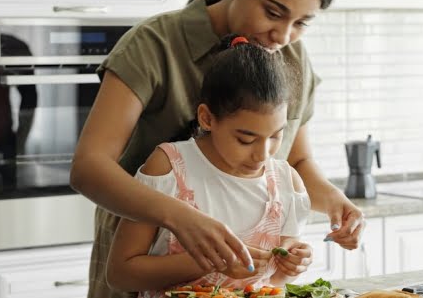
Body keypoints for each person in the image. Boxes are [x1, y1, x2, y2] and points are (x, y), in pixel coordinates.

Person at [69, 0, 364, 297]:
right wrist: (180, 216)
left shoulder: (291, 56)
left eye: (301, 23)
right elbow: (89, 167)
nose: (283, 36)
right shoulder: (155, 44)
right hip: (144, 260)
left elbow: (296, 161)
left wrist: (335, 201)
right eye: (272, 12)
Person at [107, 36, 312, 295]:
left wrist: (294, 264)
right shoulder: (169, 168)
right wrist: (206, 262)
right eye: (245, 139)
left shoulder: (285, 183)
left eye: (275, 136)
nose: (262, 154)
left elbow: (276, 281)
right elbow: (120, 275)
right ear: (206, 118)